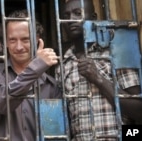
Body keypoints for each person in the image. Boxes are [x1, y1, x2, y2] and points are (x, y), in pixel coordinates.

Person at [58, 0, 141, 140]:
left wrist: (98, 79)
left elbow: (139, 110)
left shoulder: (115, 53)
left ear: (94, 18)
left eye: (78, 13)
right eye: (66, 15)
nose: (71, 19)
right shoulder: (63, 65)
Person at [0, 9, 60, 141]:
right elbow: (2, 103)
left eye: (25, 39)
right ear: (5, 42)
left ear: (38, 41)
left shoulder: (50, 85)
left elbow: (54, 134)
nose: (18, 47)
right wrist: (35, 69)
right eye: (12, 40)